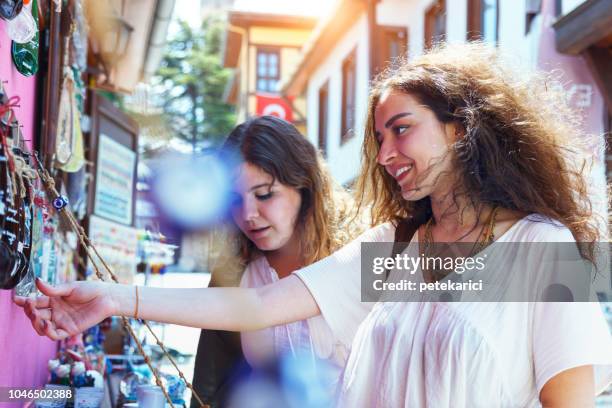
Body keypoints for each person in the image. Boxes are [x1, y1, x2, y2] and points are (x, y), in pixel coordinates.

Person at [16, 43, 612, 407]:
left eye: (401, 128)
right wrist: (113, 298)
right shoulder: (395, 251)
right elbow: (259, 308)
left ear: (460, 128)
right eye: (378, 137)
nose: (383, 154)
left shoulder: (542, 251)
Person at [189, 116, 363, 407]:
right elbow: (209, 383)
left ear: (304, 186)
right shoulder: (235, 269)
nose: (248, 214)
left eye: (264, 194)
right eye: (234, 200)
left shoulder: (360, 254)